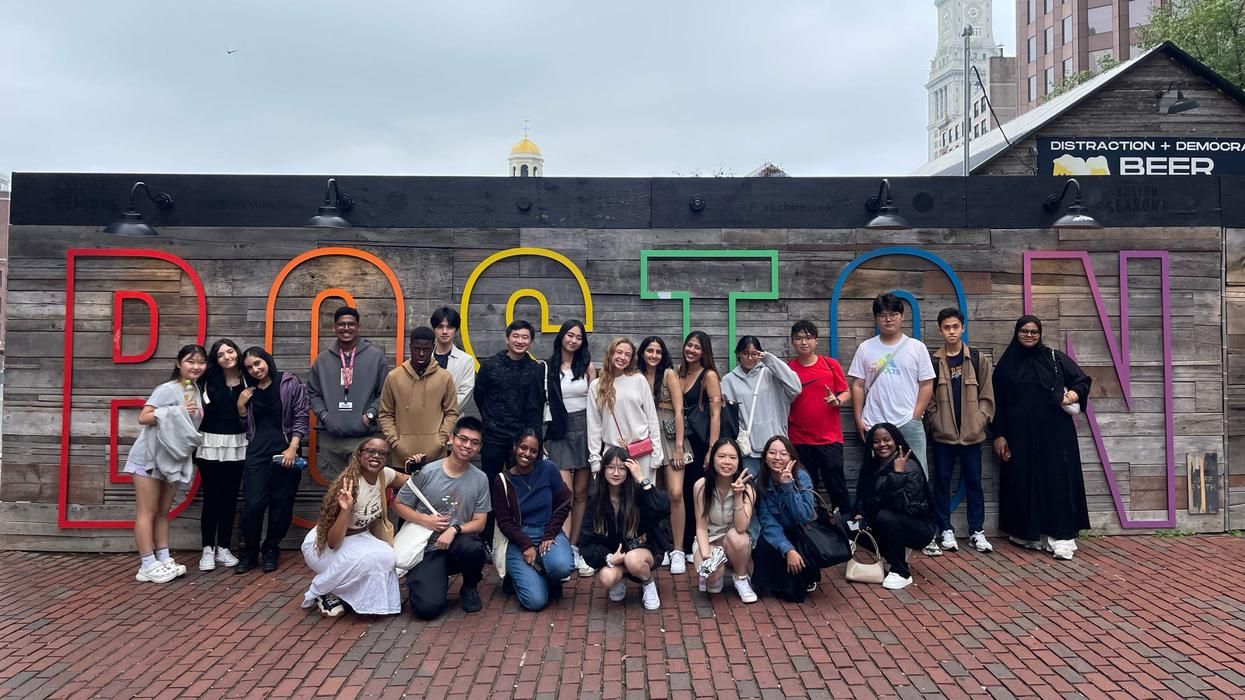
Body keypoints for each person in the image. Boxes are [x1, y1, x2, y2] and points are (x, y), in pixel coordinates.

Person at [991, 315, 1092, 561]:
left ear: (1040, 333)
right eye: (1024, 331)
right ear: (1017, 333)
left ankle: (1063, 538)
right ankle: (1031, 535)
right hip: (1020, 437)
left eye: (1034, 331)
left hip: (1055, 436)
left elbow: (1082, 380)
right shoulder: (1006, 365)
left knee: (1058, 482)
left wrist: (1072, 396)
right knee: (1025, 482)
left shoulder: (1053, 358)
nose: (1029, 335)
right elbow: (998, 403)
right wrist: (999, 435)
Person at [847, 293, 936, 555]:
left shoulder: (915, 347)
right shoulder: (866, 348)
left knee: (916, 480)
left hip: (907, 424)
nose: (888, 319)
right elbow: (859, 384)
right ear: (876, 318)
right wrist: (858, 417)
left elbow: (927, 384)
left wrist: (915, 414)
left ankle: (920, 536)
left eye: (893, 314)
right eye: (883, 314)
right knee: (876, 482)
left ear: (902, 317)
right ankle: (882, 537)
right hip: (875, 424)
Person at [392, 416, 491, 619]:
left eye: (474, 442)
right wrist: (424, 520)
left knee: (473, 547)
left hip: (457, 544)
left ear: (479, 447)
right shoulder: (427, 472)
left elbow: (480, 522)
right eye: (463, 439)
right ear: (451, 439)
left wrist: (454, 530)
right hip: (427, 548)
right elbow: (398, 505)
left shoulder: (480, 479)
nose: (467, 446)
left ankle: (469, 586)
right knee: (426, 609)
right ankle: (426, 580)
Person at [300, 437, 410, 617]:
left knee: (387, 557)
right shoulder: (349, 485)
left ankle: (344, 593)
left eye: (382, 453)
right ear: (359, 454)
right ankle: (325, 590)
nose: (376, 456)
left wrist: (420, 467)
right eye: (370, 451)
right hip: (323, 546)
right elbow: (333, 542)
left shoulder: (385, 475)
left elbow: (410, 481)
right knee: (367, 560)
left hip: (359, 538)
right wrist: (346, 510)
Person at [125, 345, 207, 584]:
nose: (196, 366)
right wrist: (176, 411)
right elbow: (144, 417)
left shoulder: (194, 389)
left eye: (201, 362)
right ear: (179, 363)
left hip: (170, 460)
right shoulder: (167, 389)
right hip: (148, 458)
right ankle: (147, 563)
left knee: (162, 512)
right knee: (146, 511)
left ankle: (162, 557)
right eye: (191, 361)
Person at [925, 308, 996, 555]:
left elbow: (987, 395)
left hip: (972, 436)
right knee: (942, 482)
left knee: (974, 482)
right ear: (940, 330)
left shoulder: (977, 358)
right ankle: (945, 529)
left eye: (955, 326)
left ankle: (977, 531)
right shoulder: (934, 361)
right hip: (943, 436)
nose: (952, 331)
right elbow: (928, 398)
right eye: (947, 327)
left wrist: (979, 420)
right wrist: (935, 421)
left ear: (963, 328)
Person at [236, 347, 310, 574]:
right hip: (257, 452)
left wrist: (293, 447)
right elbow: (246, 427)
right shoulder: (248, 391)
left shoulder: (288, 382)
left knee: (282, 504)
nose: (255, 369)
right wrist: (240, 406)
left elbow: (301, 415)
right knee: (254, 504)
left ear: (267, 360)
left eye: (258, 363)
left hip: (285, 451)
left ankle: (271, 549)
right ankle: (249, 551)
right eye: (249, 367)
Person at [475, 319, 546, 547]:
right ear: (507, 338)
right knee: (490, 485)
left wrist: (533, 441)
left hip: (521, 441)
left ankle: (519, 536)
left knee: (520, 488)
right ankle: (486, 537)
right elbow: (480, 395)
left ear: (531, 342)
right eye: (516, 336)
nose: (520, 341)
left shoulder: (535, 370)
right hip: (494, 437)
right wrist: (492, 421)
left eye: (525, 337)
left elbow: (536, 406)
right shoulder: (490, 365)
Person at [578, 446, 672, 611]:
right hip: (615, 555)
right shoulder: (596, 501)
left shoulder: (638, 493)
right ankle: (620, 577)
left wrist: (641, 478)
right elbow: (586, 541)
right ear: (604, 469)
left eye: (622, 468)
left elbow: (662, 508)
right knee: (606, 577)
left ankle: (647, 582)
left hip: (644, 550)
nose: (616, 473)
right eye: (611, 468)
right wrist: (608, 558)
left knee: (633, 560)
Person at [492, 429, 574, 611]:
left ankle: (546, 575)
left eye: (533, 450)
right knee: (535, 602)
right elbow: (504, 521)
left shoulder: (548, 469)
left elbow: (565, 501)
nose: (527, 454)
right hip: (519, 538)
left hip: (548, 532)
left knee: (562, 566)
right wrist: (525, 544)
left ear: (538, 453)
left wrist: (550, 533)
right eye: (523, 447)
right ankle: (519, 578)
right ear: (515, 447)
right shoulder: (502, 481)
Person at [307, 306, 389, 482]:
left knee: (362, 490)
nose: (346, 328)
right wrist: (324, 416)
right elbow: (313, 393)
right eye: (341, 324)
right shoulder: (322, 360)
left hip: (363, 439)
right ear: (334, 328)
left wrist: (369, 415)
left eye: (351, 324)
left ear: (358, 326)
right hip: (331, 439)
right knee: (334, 494)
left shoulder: (376, 357)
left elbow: (385, 392)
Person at [853, 423, 939, 590]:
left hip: (917, 526)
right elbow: (866, 497)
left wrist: (897, 474)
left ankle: (901, 571)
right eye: (877, 441)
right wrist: (861, 514)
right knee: (848, 523)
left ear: (896, 441)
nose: (882, 445)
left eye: (887, 440)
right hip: (887, 520)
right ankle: (892, 555)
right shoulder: (873, 465)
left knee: (886, 516)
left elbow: (902, 505)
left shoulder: (909, 466)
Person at [543, 320, 597, 577]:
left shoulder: (587, 367)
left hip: (585, 428)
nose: (573, 340)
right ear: (562, 337)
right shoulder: (548, 367)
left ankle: (574, 547)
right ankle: (562, 549)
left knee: (582, 492)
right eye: (569, 335)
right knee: (564, 493)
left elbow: (596, 403)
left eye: (578, 337)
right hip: (559, 431)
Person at [786, 320, 852, 513]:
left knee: (836, 487)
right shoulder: (788, 369)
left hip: (829, 439)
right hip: (799, 440)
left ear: (815, 341)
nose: (803, 342)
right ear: (792, 342)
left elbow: (846, 392)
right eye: (798, 338)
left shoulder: (829, 365)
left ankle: (846, 531)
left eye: (808, 337)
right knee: (805, 487)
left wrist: (837, 401)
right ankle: (811, 532)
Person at [195, 339, 248, 572]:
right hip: (209, 443)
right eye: (220, 354)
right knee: (211, 498)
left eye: (230, 351)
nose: (227, 356)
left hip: (237, 443)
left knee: (230, 498)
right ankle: (207, 549)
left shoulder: (249, 380)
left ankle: (224, 548)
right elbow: (185, 387)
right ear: (215, 360)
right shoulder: (206, 381)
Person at [639, 336, 689, 574]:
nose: (654, 355)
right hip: (646, 438)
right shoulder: (636, 375)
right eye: (649, 350)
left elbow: (679, 412)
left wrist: (679, 445)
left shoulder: (669, 374)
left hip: (669, 436)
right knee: (652, 495)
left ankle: (678, 549)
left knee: (675, 493)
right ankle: (660, 546)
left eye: (658, 351)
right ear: (642, 353)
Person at [750, 436, 822, 602]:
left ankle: (806, 575)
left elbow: (803, 516)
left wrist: (787, 486)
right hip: (779, 533)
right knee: (764, 542)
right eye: (772, 453)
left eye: (783, 454)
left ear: (791, 457)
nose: (777, 458)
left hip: (801, 531)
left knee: (794, 594)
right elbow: (767, 522)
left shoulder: (801, 476)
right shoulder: (761, 481)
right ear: (765, 456)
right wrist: (787, 549)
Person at [378, 326, 459, 470]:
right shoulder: (394, 377)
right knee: (403, 492)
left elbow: (451, 412)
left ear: (433, 348)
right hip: (401, 456)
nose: (421, 353)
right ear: (410, 347)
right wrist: (396, 443)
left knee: (435, 493)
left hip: (435, 456)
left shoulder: (444, 377)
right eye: (417, 349)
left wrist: (439, 442)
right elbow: (385, 414)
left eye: (426, 349)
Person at [720, 336, 801, 475]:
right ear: (738, 354)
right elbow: (727, 415)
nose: (750, 358)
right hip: (747, 450)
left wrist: (769, 359)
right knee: (751, 491)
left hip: (776, 448)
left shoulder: (771, 374)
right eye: (746, 354)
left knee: (778, 489)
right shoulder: (729, 380)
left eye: (754, 354)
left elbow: (796, 388)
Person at [587, 337, 664, 480]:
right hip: (612, 453)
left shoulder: (638, 380)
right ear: (611, 353)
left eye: (627, 354)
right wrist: (595, 459)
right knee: (615, 499)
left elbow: (652, 418)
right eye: (619, 352)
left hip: (641, 450)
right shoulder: (596, 386)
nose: (623, 357)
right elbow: (594, 425)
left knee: (642, 496)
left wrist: (656, 453)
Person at [691, 438, 757, 603]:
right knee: (713, 582)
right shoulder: (701, 486)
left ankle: (741, 577)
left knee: (738, 537)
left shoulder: (748, 488)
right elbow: (700, 527)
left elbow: (741, 527)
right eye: (721, 456)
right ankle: (721, 569)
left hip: (733, 539)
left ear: (739, 462)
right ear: (712, 459)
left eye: (733, 458)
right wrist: (706, 556)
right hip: (710, 538)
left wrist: (737, 496)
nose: (727, 462)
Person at [677, 330, 722, 553]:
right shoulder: (679, 373)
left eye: (696, 347)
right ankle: (683, 543)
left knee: (697, 491)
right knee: (681, 491)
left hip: (701, 443)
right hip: (681, 442)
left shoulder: (709, 376)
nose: (691, 350)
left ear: (704, 351)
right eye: (689, 345)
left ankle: (697, 541)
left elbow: (715, 414)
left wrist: (712, 449)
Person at [430, 306, 476, 411]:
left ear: (456, 330)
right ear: (434, 329)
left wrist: (445, 414)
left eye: (449, 327)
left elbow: (465, 393)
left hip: (453, 421)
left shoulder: (466, 360)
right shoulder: (425, 358)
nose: (445, 331)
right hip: (426, 420)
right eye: (440, 327)